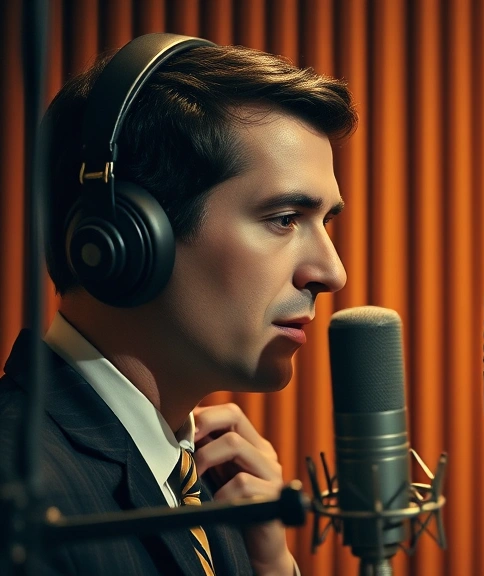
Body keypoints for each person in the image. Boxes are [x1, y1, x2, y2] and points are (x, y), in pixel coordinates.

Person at [0, 33, 356, 575]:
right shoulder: (18, 491)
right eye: (284, 218)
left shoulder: (212, 494)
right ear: (127, 238)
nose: (332, 273)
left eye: (324, 223)